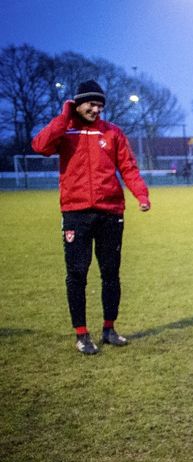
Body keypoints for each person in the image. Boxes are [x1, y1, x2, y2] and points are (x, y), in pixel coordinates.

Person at [31, 80, 151, 355]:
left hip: (110, 213)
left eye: (100, 105)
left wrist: (141, 196)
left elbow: (129, 168)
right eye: (91, 104)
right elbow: (40, 146)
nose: (96, 109)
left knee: (110, 273)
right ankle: (82, 334)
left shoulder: (113, 133)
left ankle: (109, 329)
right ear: (78, 103)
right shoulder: (65, 129)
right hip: (76, 213)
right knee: (77, 274)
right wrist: (64, 117)